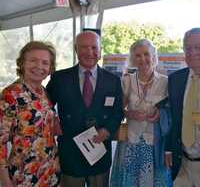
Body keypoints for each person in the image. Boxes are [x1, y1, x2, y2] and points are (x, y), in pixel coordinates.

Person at [46, 31, 123, 187]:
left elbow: (118, 112)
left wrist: (107, 130)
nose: (90, 52)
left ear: (101, 51)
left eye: (94, 47)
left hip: (99, 153)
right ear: (76, 50)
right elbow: (45, 105)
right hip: (70, 153)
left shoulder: (113, 80)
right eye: (84, 47)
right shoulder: (60, 78)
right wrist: (53, 119)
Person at [110, 39, 172, 187]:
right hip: (131, 142)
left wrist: (160, 114)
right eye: (137, 55)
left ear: (153, 56)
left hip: (155, 144)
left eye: (146, 54)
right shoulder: (126, 81)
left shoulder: (165, 82)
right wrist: (129, 114)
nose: (142, 59)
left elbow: (171, 112)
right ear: (132, 59)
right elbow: (119, 109)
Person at [0, 41, 60, 187]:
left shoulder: (45, 92)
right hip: (24, 173)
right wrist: (5, 180)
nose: (39, 67)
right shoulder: (11, 94)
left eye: (45, 63)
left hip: (50, 171)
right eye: (33, 60)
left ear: (50, 67)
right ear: (22, 63)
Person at [165, 28, 200, 186]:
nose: (192, 52)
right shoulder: (175, 79)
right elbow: (172, 118)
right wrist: (168, 149)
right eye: (188, 48)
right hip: (182, 164)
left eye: (198, 47)